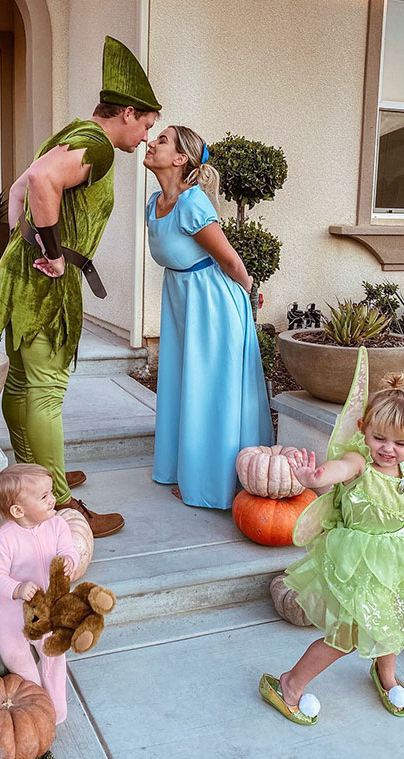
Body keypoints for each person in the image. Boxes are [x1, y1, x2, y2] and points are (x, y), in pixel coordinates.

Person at [0, 37, 162, 537]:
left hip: (22, 273)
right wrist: (53, 251)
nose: (147, 137)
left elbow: (19, 188)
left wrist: (24, 243)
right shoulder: (101, 146)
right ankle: (58, 504)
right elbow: (41, 181)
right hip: (46, 279)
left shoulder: (74, 131)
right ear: (127, 113)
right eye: (147, 125)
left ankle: (30, 475)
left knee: (22, 383)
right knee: (44, 394)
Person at [259, 350, 404, 725]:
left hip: (399, 559)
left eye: (399, 443)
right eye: (379, 437)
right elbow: (338, 467)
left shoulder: (403, 464)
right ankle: (290, 684)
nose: (387, 448)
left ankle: (385, 675)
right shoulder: (361, 463)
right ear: (363, 428)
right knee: (346, 634)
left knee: (398, 619)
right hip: (360, 564)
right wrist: (314, 478)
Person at [143, 125, 273, 509]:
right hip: (183, 300)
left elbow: (230, 260)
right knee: (186, 384)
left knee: (210, 390)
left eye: (162, 140)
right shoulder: (155, 202)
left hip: (212, 304)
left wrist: (247, 292)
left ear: (181, 159)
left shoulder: (192, 203)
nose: (151, 143)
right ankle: (187, 469)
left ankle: (210, 481)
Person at [0, 464, 80, 724]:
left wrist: (69, 560)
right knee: (18, 659)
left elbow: (69, 550)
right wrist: (16, 588)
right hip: (13, 617)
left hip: (46, 612)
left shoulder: (58, 525)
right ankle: (36, 700)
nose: (52, 499)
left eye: (51, 492)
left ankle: (56, 707)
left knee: (53, 656)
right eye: (44, 496)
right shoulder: (6, 538)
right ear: (18, 510)